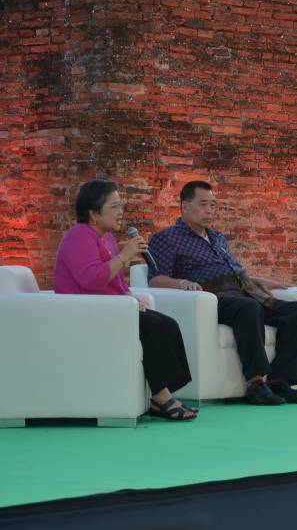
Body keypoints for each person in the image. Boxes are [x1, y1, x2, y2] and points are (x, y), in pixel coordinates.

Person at [147, 181, 297, 405]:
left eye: (212, 205)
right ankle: (256, 384)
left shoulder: (216, 238)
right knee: (248, 308)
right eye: (203, 204)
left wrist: (256, 281)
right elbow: (155, 279)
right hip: (212, 299)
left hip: (245, 292)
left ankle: (279, 380)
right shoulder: (167, 238)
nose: (209, 210)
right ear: (185, 206)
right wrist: (182, 282)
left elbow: (230, 272)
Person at [53, 180, 196, 421]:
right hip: (84, 312)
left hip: (108, 308)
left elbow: (114, 281)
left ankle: (165, 392)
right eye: (115, 206)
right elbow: (91, 279)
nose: (121, 212)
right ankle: (161, 399)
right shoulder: (79, 235)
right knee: (152, 327)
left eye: (121, 206)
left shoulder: (106, 237)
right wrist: (125, 255)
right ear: (94, 213)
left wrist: (129, 297)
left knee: (167, 324)